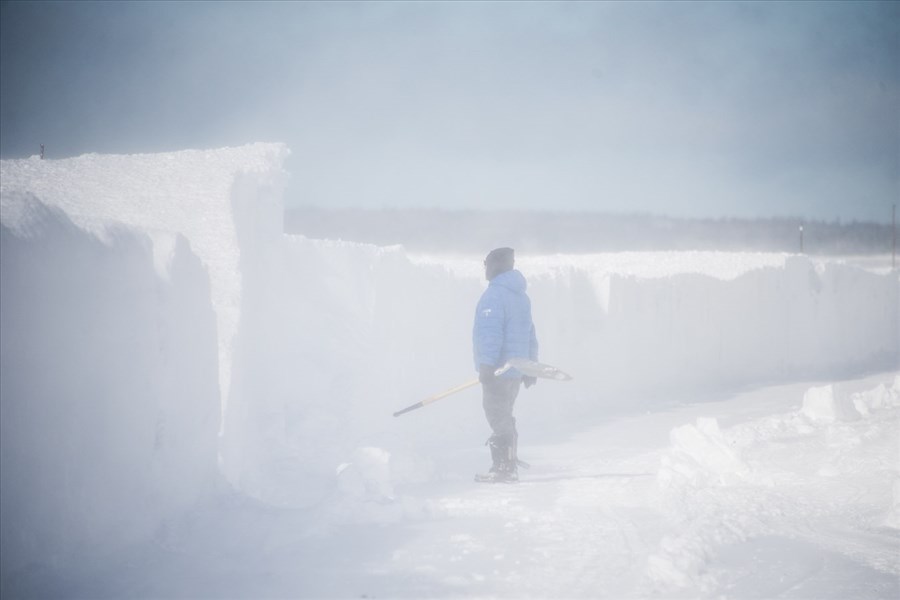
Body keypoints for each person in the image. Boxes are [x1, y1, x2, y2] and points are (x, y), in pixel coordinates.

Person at [472, 247, 539, 483]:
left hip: (498, 371)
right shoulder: (521, 297)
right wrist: (530, 367)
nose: (485, 269)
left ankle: (504, 467)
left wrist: (486, 365)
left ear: (495, 266)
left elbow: (490, 334)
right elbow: (529, 334)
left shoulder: (494, 295)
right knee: (504, 415)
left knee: (497, 416)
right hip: (514, 372)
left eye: (486, 264)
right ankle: (508, 461)